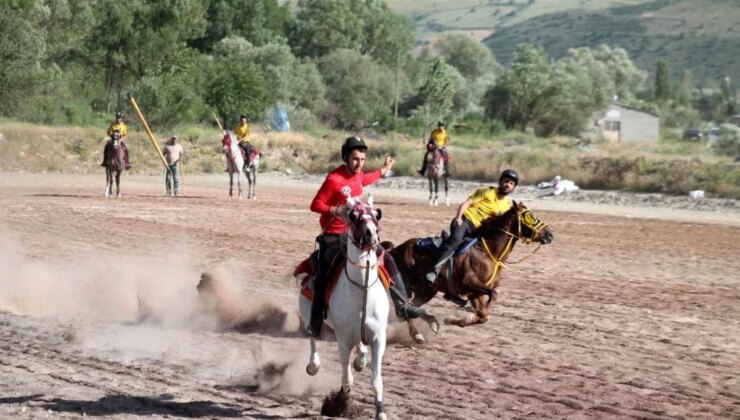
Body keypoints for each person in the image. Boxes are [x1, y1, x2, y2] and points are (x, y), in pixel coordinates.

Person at [305, 136, 426, 337]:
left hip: (355, 234)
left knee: (385, 257)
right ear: (346, 157)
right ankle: (315, 322)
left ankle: (402, 305)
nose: (359, 163)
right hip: (333, 237)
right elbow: (315, 204)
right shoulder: (334, 179)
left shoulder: (359, 176)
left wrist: (385, 169)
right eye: (354, 159)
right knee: (324, 274)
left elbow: (368, 178)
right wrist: (336, 210)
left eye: (362, 159)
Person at [422, 169, 520, 303]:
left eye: (511, 183)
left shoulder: (505, 205)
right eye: (505, 181)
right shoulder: (486, 191)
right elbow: (467, 203)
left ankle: (453, 288)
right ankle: (434, 270)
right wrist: (458, 217)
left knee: (475, 256)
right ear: (500, 182)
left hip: (479, 230)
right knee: (455, 242)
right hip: (465, 222)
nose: (507, 184)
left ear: (513, 187)